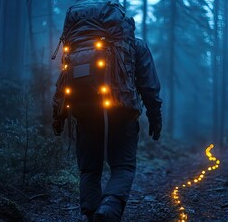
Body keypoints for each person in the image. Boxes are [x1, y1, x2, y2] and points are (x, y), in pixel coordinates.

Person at [52, 37, 162, 222]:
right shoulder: (133, 44)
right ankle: (109, 208)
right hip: (122, 111)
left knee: (89, 169)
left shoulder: (79, 45)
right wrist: (155, 116)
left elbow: (63, 80)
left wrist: (58, 115)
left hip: (85, 111)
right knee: (123, 166)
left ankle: (89, 213)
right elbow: (149, 84)